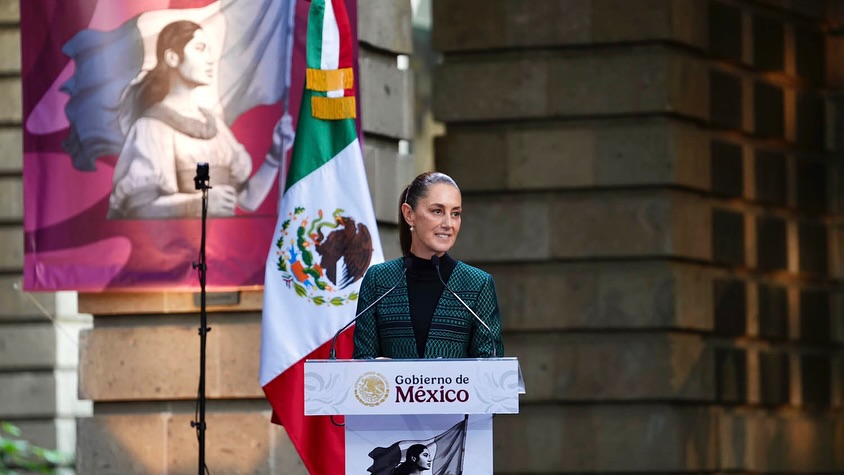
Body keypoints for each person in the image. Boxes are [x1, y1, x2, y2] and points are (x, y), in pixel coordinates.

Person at [107, 20, 289, 219]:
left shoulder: (216, 127)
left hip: (221, 248)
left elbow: (247, 199)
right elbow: (138, 209)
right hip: (177, 248)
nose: (210, 59)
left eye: (209, 50)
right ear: (172, 57)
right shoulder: (151, 127)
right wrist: (198, 203)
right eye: (200, 48)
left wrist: (274, 154)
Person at [352, 171, 504, 359]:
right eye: (437, 211)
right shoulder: (378, 279)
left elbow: (491, 364)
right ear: (409, 214)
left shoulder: (477, 283)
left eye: (455, 213)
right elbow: (362, 360)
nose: (448, 224)